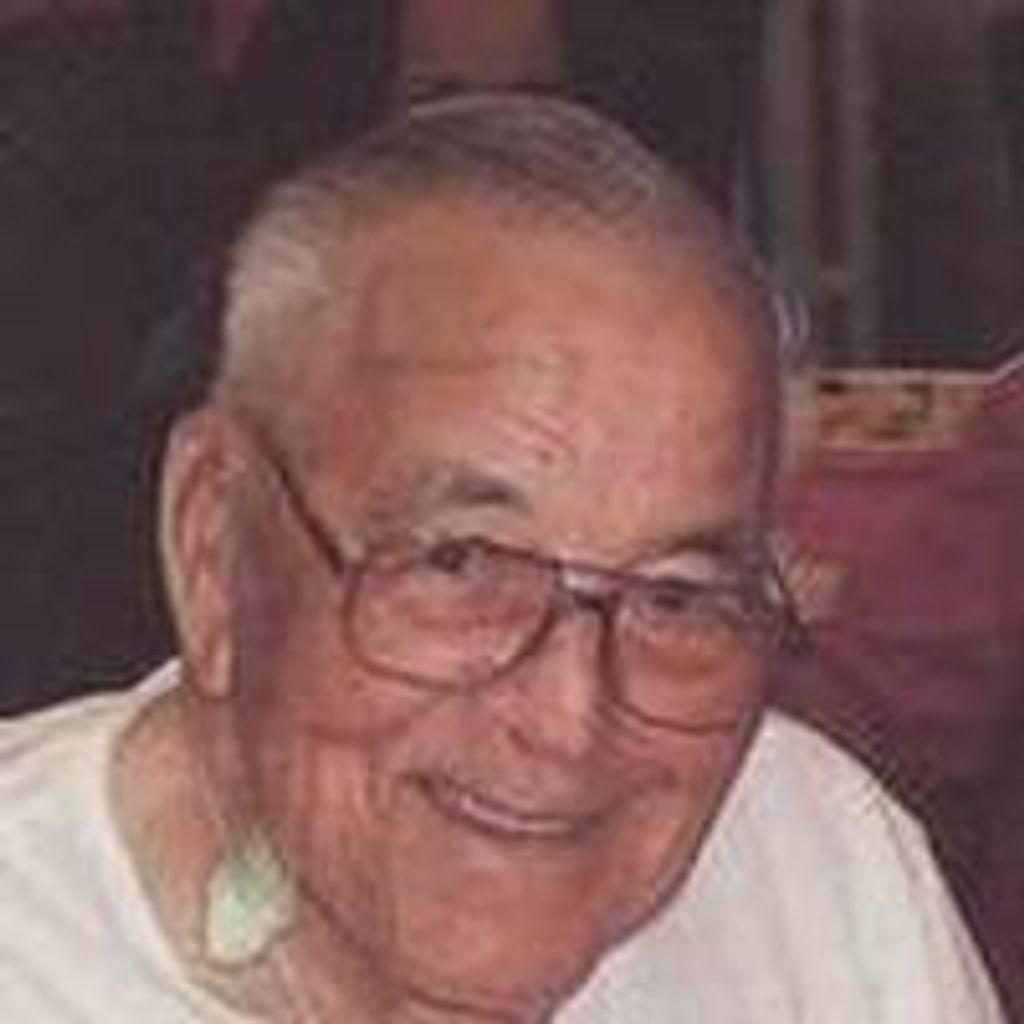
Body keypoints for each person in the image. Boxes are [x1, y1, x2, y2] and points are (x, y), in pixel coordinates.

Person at [0, 94, 1003, 1023]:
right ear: (214, 546)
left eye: (675, 597)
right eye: (463, 564)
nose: (569, 718)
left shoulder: (812, 875)